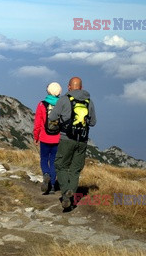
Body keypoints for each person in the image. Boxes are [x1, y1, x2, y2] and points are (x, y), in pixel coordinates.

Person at [48, 77, 96, 209]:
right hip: (82, 141)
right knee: (75, 170)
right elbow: (93, 122)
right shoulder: (89, 102)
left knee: (60, 165)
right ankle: (71, 193)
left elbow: (52, 117)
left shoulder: (64, 99)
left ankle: (66, 193)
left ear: (69, 87)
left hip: (66, 139)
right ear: (81, 87)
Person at [33, 82, 62, 194]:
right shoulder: (62, 104)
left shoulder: (41, 105)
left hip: (45, 138)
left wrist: (36, 137)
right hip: (57, 138)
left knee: (44, 159)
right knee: (54, 161)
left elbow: (37, 124)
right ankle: (53, 186)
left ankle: (46, 174)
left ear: (48, 91)